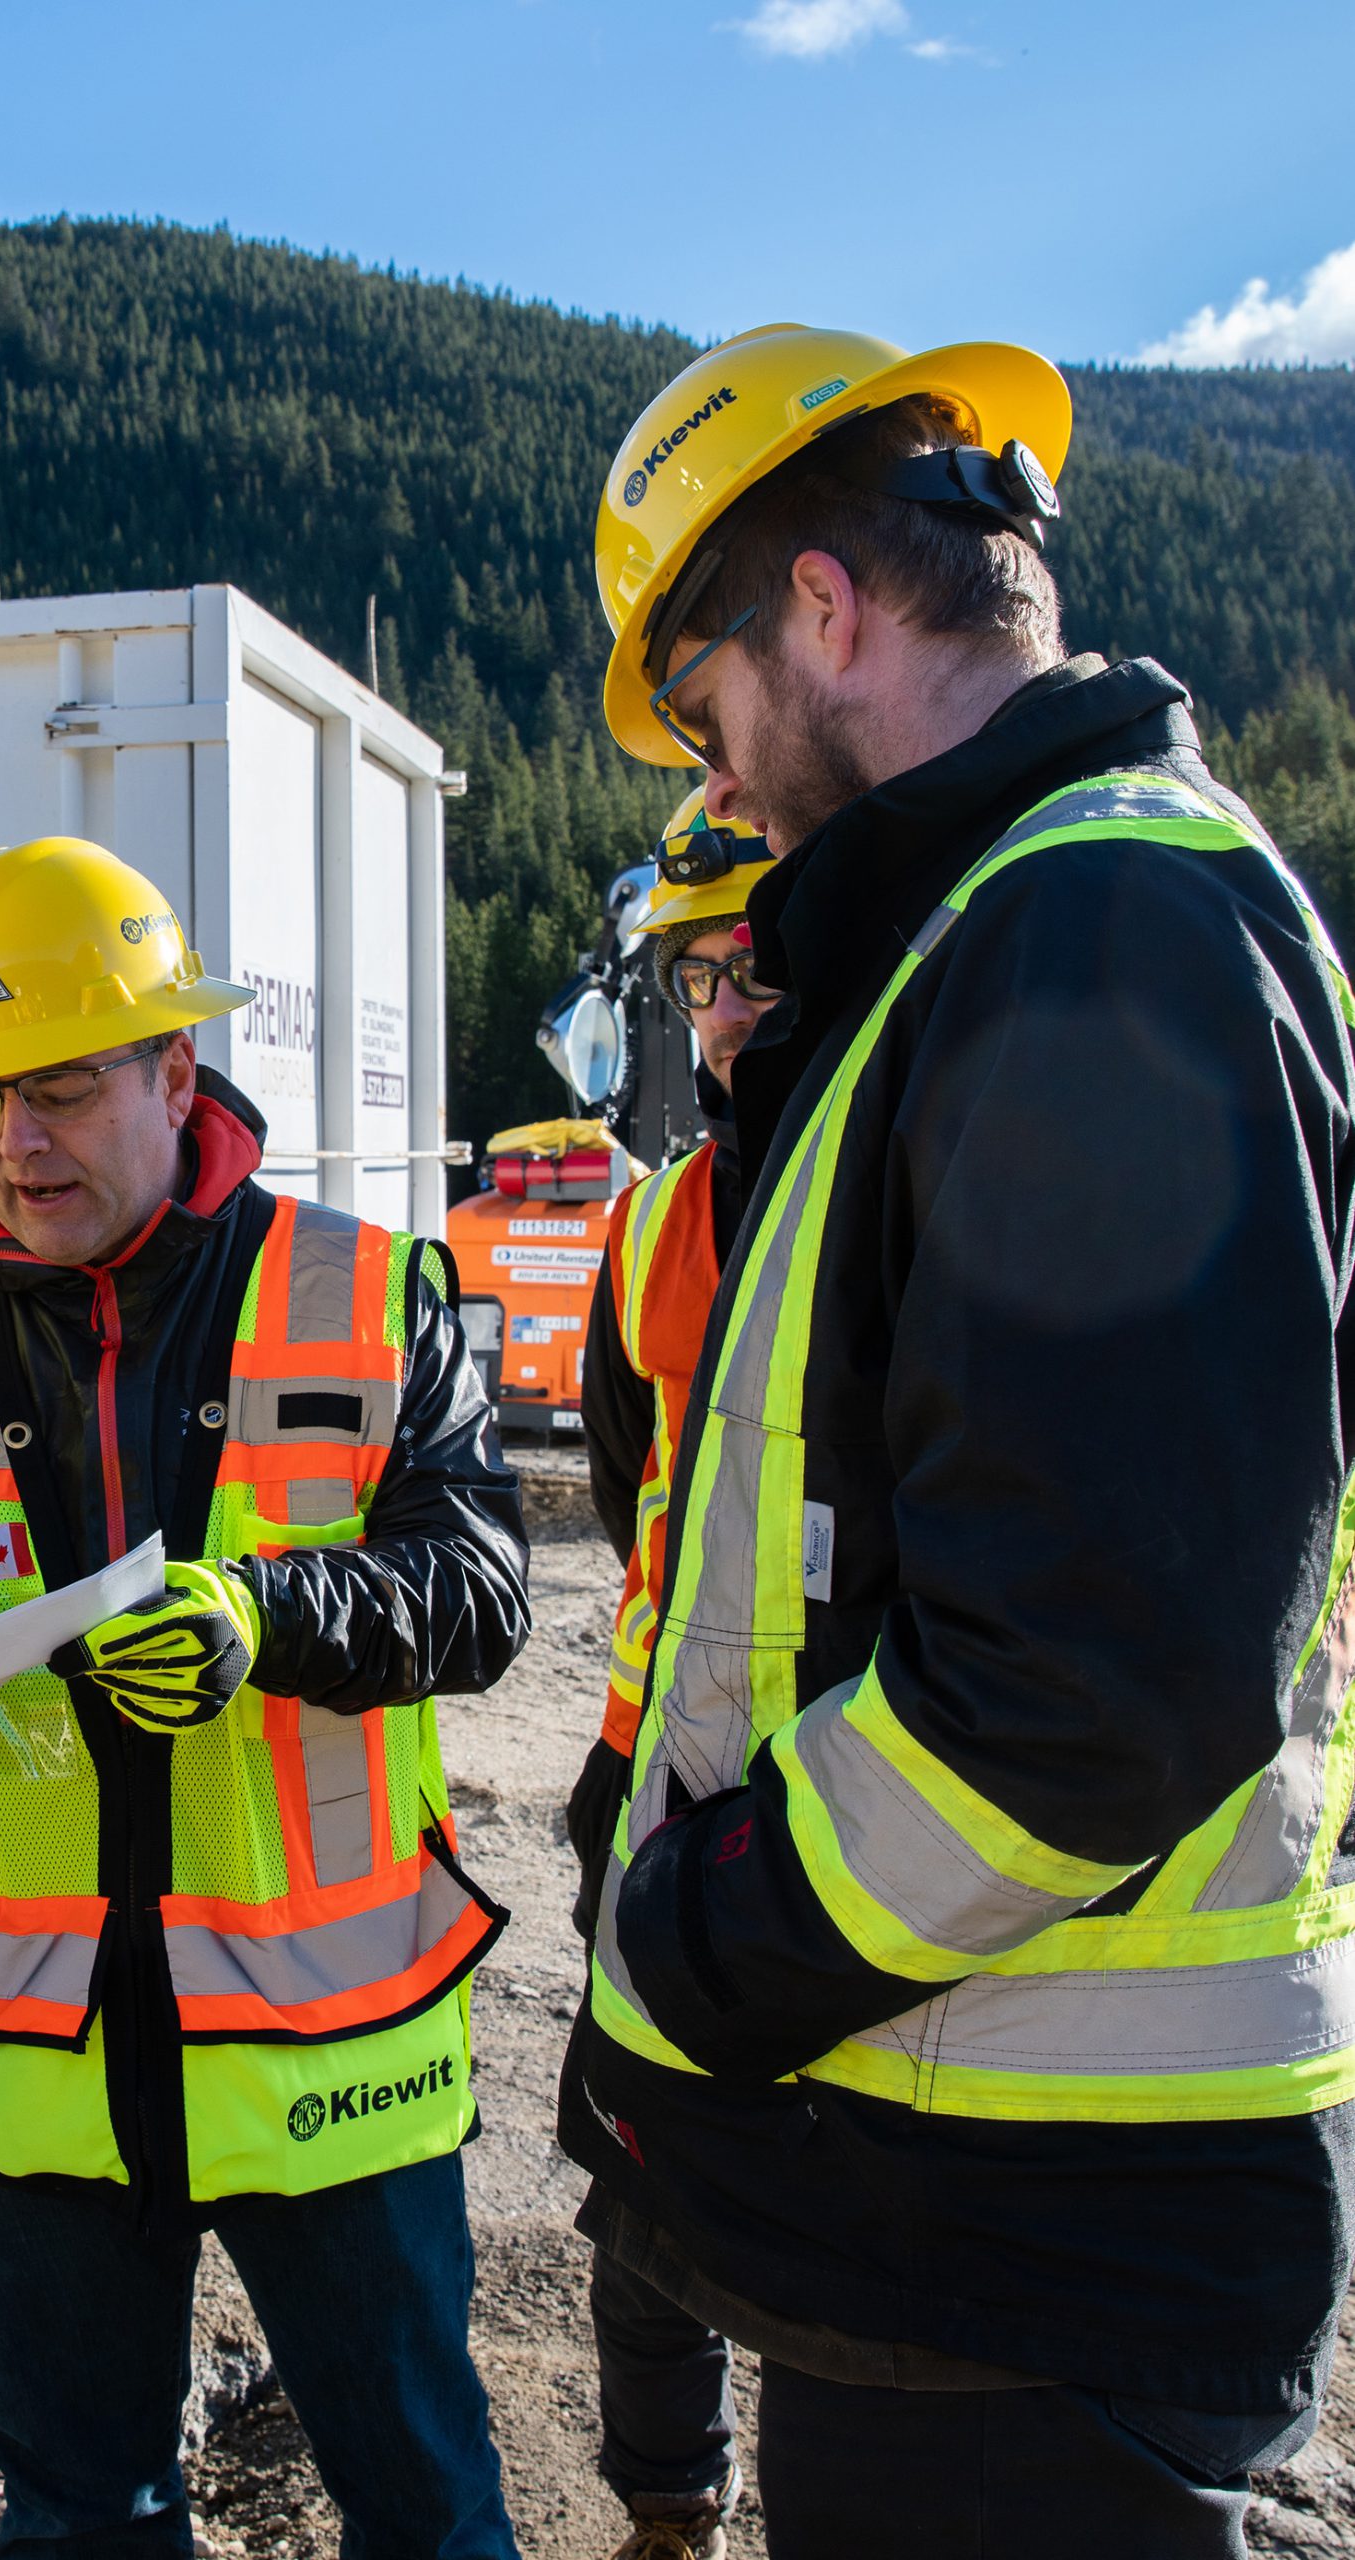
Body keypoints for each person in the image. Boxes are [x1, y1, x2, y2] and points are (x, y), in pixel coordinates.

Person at [559, 323, 1355, 2554]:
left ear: (821, 609)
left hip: (1031, 2231)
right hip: (980, 2194)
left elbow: (1086, 1691)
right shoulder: (1010, 933)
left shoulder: (1095, 932)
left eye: (704, 712)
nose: (722, 790)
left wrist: (697, 1940)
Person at [0, 837, 534, 2559]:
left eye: (64, 1087)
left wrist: (264, 1614)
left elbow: (480, 1588)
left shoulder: (366, 1292)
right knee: (78, 2522)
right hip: (26, 2070)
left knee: (424, 2513)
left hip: (326, 2064)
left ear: (173, 1070)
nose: (16, 1144)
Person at [567, 791, 780, 2560]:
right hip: (651, 1764)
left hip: (878, 1779)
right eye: (698, 975)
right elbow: (631, 1483)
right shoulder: (650, 1231)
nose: (724, 1010)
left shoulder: (945, 1162)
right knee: (641, 2185)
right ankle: (667, 2510)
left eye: (758, 964)